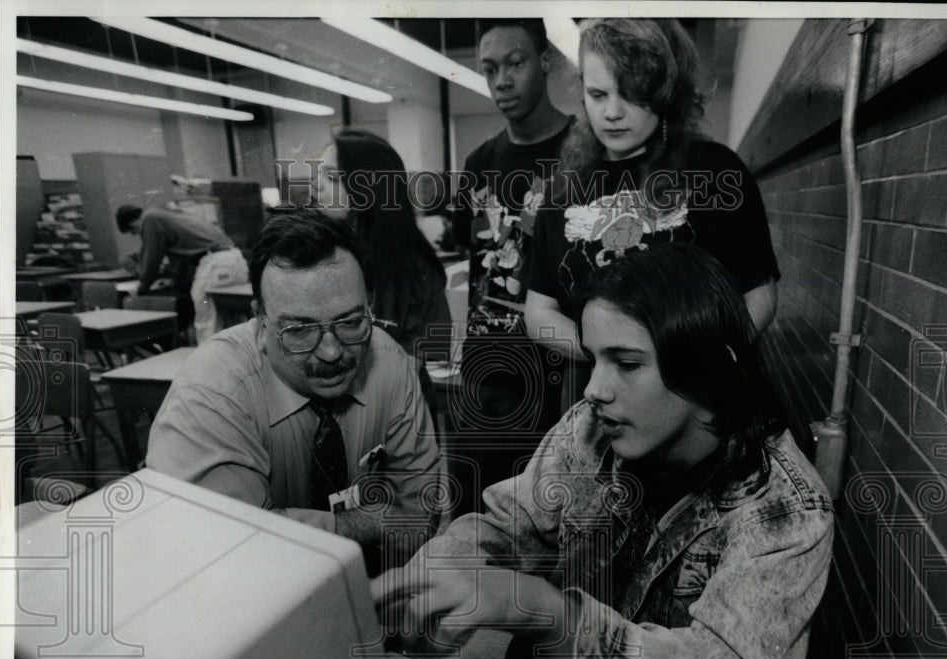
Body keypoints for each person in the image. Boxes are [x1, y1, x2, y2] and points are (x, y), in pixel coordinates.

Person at [374, 243, 833, 659]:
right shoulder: (589, 430)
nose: (594, 389)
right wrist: (429, 582)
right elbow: (508, 525)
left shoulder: (788, 515)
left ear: (711, 367)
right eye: (594, 359)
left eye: (627, 364)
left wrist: (544, 612)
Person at [146, 210, 441, 567]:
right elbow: (223, 548)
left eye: (350, 322)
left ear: (370, 308)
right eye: (299, 330)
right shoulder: (213, 392)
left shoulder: (391, 363)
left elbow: (417, 515)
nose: (331, 352)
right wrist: (368, 522)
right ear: (259, 322)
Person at [523, 18, 780, 407]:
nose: (612, 112)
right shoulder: (563, 192)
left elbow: (759, 293)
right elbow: (539, 311)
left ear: (665, 92)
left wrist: (701, 363)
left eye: (633, 94)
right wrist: (612, 356)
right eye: (597, 93)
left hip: (700, 399)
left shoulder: (714, 171)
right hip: (596, 400)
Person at [448, 18, 575, 514]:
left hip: (561, 377)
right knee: (471, 514)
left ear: (545, 61)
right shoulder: (479, 163)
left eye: (516, 63)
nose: (502, 80)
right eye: (489, 68)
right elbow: (476, 262)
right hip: (486, 370)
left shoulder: (585, 155)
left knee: (545, 527)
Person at [312, 129, 452, 418]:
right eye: (317, 175)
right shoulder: (316, 255)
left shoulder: (416, 269)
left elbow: (427, 351)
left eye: (332, 177)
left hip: (397, 416)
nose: (316, 187)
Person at [115, 204, 249, 342]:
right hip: (235, 259)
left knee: (207, 320)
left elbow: (151, 260)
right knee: (232, 320)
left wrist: (142, 289)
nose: (138, 235)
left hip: (215, 262)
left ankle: (209, 360)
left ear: (132, 222)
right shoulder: (168, 213)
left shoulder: (150, 219)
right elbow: (184, 256)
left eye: (134, 232)